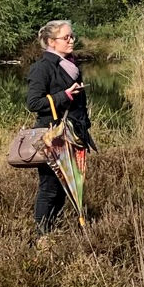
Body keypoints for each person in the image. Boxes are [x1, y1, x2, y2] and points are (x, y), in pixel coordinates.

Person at [25, 19, 95, 233]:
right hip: (52, 137)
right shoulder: (42, 68)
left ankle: (52, 232)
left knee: (66, 189)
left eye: (72, 36)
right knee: (49, 188)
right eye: (66, 37)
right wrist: (63, 95)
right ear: (51, 42)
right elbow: (33, 102)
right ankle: (42, 236)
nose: (71, 40)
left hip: (72, 136)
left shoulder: (72, 66)